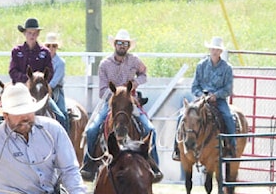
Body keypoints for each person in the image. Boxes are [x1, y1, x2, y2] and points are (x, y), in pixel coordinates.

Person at [81, 28, 162, 181]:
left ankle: (154, 165)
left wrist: (135, 83)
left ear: (128, 46)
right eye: (119, 43)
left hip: (131, 102)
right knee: (92, 130)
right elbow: (102, 91)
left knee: (149, 129)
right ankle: (89, 164)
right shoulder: (104, 64)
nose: (122, 46)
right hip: (112, 102)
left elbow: (144, 74)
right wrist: (118, 92)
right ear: (115, 45)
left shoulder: (134, 61)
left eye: (125, 43)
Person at [174, 36, 237, 161]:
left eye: (217, 49)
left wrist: (216, 95)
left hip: (218, 100)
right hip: (200, 100)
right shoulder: (201, 66)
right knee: (182, 117)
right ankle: (177, 148)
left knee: (228, 117)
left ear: (220, 52)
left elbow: (228, 89)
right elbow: (194, 86)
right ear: (210, 50)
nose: (215, 51)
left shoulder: (227, 68)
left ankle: (231, 147)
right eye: (213, 49)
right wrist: (201, 95)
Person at [8, 17, 53, 85]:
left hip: (39, 87)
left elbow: (49, 71)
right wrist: (27, 79)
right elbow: (13, 71)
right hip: (20, 85)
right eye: (29, 33)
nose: (32, 35)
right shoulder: (16, 51)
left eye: (34, 33)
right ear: (24, 33)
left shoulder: (45, 52)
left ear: (38, 34)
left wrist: (38, 80)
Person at [44, 31, 71, 133]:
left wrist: (45, 87)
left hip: (55, 90)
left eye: (54, 46)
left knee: (62, 113)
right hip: (41, 89)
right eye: (48, 45)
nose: (51, 48)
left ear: (57, 47)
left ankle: (65, 135)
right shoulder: (42, 60)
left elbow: (54, 82)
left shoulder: (60, 62)